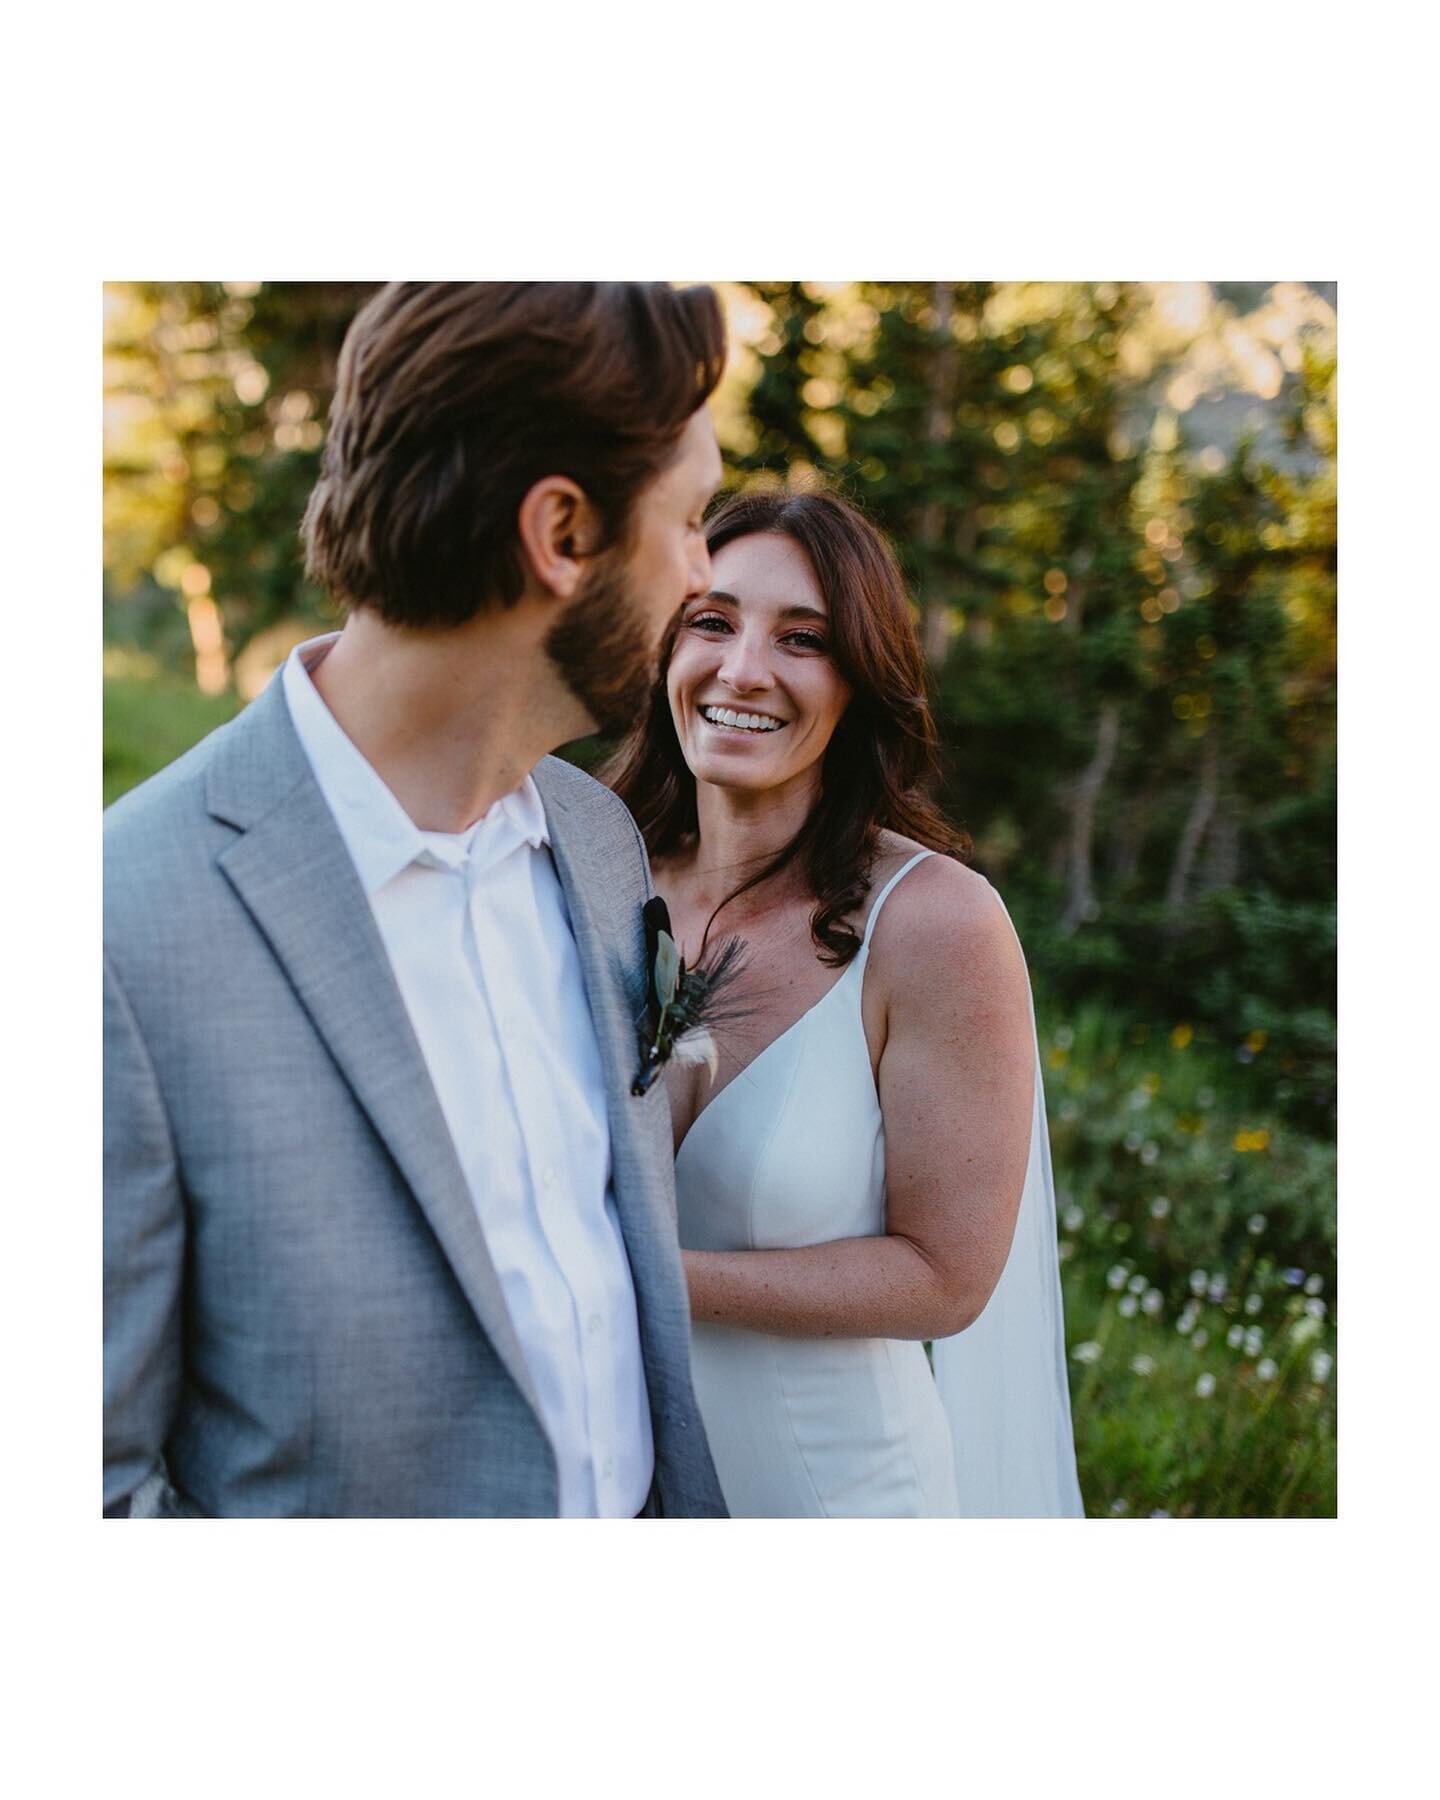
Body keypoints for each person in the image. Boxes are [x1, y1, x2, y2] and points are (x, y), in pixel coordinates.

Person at [103, 282, 730, 1517]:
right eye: (696, 522)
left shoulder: (600, 846)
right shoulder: (122, 930)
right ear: (561, 533)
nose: (706, 583)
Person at [607, 487, 1084, 1517]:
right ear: (663, 646)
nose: (743, 670)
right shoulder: (589, 876)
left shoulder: (936, 926)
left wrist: (634, 1276)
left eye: (804, 639)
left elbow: (945, 1277)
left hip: (834, 1494)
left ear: (862, 681)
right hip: (603, 1479)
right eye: (712, 620)